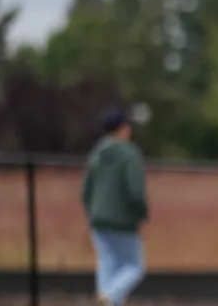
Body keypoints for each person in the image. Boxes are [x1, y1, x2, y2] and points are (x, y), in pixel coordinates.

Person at [81, 108, 148, 306]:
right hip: (124, 221)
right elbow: (135, 191)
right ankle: (109, 296)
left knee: (107, 264)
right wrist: (141, 214)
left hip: (98, 219)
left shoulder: (96, 154)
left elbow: (86, 191)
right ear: (123, 128)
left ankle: (107, 297)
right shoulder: (129, 155)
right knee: (134, 266)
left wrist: (92, 212)